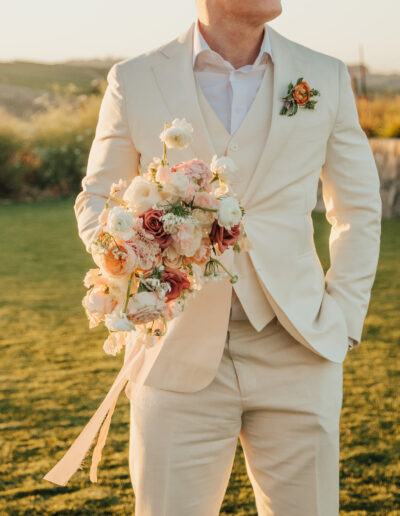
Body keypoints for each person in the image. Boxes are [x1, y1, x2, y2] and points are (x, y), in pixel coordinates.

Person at [73, 1, 382, 514]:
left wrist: (344, 318)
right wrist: (131, 260)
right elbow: (98, 198)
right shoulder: (135, 78)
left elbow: (357, 206)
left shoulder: (323, 75)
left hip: (299, 345)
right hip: (174, 353)